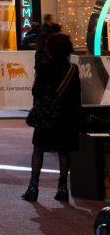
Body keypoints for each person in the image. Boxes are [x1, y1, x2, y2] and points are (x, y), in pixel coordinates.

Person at [22, 32, 81, 202]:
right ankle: (62, 188)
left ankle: (33, 187)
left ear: (50, 48)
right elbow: (76, 95)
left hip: (48, 115)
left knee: (38, 149)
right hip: (66, 116)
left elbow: (37, 92)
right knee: (63, 151)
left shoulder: (44, 66)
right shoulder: (72, 69)